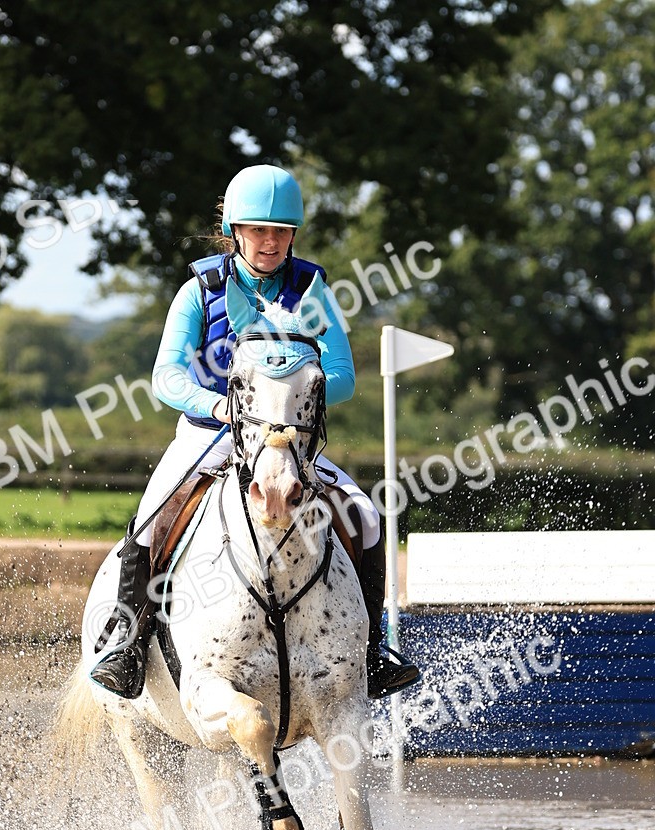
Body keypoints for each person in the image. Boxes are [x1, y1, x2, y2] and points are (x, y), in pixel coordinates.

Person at [91, 164, 420, 700]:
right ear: (236, 231)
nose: (270, 242)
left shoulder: (312, 289)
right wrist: (219, 405)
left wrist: (291, 397)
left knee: (364, 513)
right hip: (210, 432)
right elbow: (166, 374)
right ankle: (126, 646)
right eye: (259, 230)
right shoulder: (201, 289)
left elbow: (342, 376)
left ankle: (372, 651)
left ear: (293, 234)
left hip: (289, 438)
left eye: (281, 232)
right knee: (149, 524)